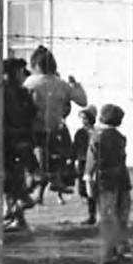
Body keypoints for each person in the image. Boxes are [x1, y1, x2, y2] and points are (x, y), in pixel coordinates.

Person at [23, 46, 87, 205]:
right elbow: (82, 101)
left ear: (35, 65)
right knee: (56, 155)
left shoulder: (31, 82)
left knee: (36, 156)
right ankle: (55, 178)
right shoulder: (60, 84)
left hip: (33, 127)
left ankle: (35, 181)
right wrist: (76, 85)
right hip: (54, 127)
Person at [84, 104, 131, 264]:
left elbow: (91, 160)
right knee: (121, 216)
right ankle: (123, 248)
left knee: (107, 217)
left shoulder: (97, 137)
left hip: (105, 181)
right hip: (122, 180)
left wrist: (88, 179)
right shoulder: (120, 137)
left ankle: (108, 252)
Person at [2, 58, 37, 232]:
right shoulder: (9, 92)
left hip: (13, 139)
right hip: (13, 139)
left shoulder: (17, 92)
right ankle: (16, 213)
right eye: (21, 72)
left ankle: (18, 209)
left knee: (13, 178)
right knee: (12, 179)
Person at [72, 105, 98, 226]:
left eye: (85, 118)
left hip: (91, 162)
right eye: (82, 118)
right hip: (82, 161)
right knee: (83, 190)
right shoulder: (80, 132)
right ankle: (92, 213)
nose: (83, 120)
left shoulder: (94, 133)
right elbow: (75, 147)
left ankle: (92, 215)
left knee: (91, 189)